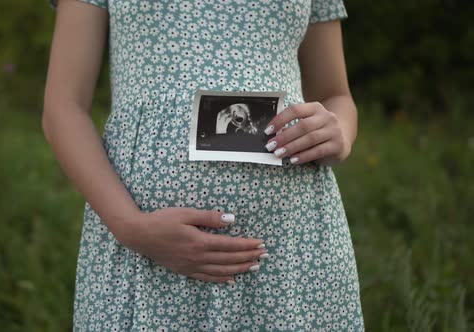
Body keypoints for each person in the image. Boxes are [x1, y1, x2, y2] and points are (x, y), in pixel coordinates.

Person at [43, 0, 364, 330]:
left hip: (293, 246)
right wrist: (131, 227)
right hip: (146, 247)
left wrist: (339, 131)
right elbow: (63, 108)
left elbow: (335, 95)